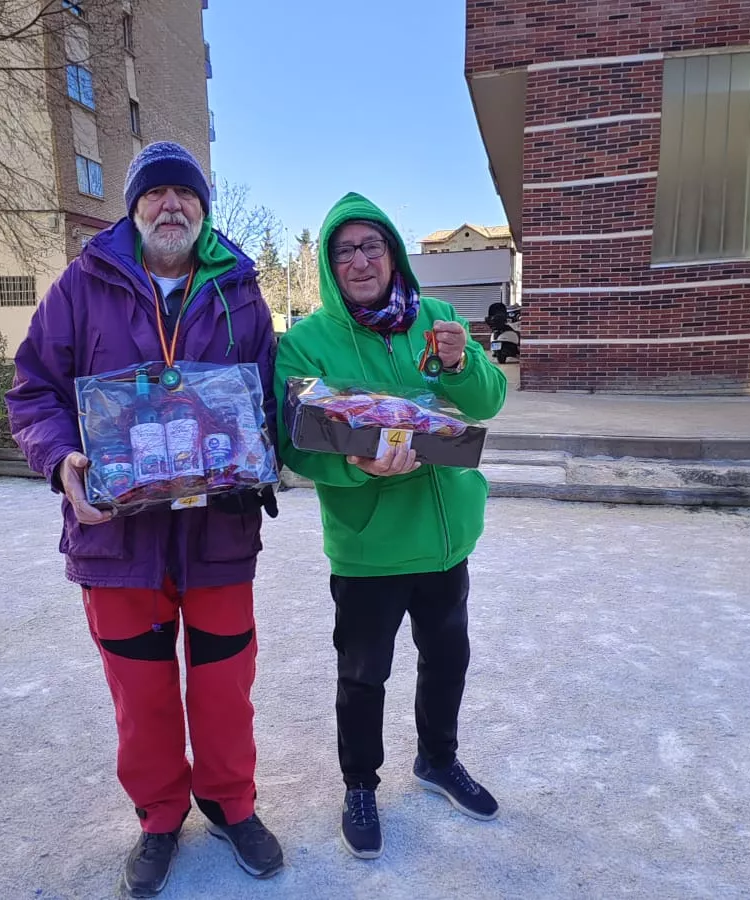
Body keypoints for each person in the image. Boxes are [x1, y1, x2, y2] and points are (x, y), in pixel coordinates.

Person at [6, 141, 284, 898]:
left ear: (203, 208)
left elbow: (266, 398)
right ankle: (160, 815)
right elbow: (32, 393)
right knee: (141, 688)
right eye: (155, 194)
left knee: (225, 683)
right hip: (116, 538)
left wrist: (300, 439)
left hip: (219, 532)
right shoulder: (79, 287)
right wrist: (61, 459)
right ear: (133, 209)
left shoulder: (240, 291)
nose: (171, 206)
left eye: (185, 195)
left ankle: (230, 804)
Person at [273, 193, 508, 860]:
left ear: (393, 253)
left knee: (447, 658)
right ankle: (360, 786)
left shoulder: (435, 319)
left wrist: (464, 364)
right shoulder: (307, 344)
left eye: (371, 245)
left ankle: (438, 759)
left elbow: (488, 402)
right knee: (362, 674)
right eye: (344, 249)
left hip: (442, 538)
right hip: (368, 546)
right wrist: (356, 469)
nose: (360, 259)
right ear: (328, 263)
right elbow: (295, 446)